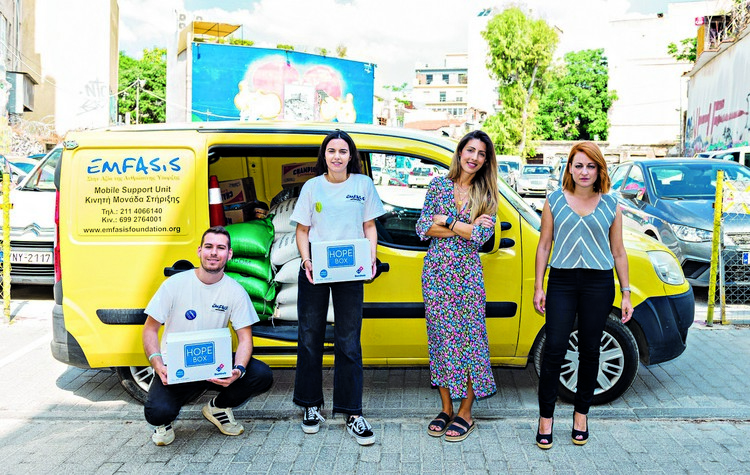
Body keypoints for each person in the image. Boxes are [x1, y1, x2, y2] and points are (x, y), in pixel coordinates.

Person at [533, 141, 634, 449]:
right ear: (570, 168)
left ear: (599, 170)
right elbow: (544, 245)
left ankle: (581, 416)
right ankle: (545, 419)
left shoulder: (611, 204)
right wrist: (539, 286)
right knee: (555, 349)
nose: (584, 171)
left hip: (598, 283)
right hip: (562, 281)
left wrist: (626, 293)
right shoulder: (554, 200)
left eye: (591, 166)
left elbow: (618, 251)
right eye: (578, 165)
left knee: (590, 351)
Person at [290, 130, 386, 446]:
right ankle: (310, 405)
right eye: (331, 151)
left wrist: (371, 257)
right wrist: (306, 260)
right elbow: (302, 230)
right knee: (309, 337)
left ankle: (352, 412)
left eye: (343, 151)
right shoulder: (311, 187)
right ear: (324, 155)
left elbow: (369, 226)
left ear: (350, 156)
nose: (337, 157)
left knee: (349, 341)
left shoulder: (363, 185)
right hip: (316, 269)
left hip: (350, 270)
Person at [142, 226, 273, 446]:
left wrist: (238, 370)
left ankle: (218, 408)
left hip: (215, 365)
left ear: (229, 254)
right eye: (209, 246)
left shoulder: (235, 291)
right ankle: (164, 423)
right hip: (178, 366)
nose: (214, 252)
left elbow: (245, 339)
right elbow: (149, 329)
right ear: (199, 250)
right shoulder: (174, 285)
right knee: (157, 412)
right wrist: (157, 363)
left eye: (220, 248)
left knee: (261, 374)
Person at [415, 130, 499, 442]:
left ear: (486, 160)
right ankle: (446, 408)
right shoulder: (438, 185)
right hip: (436, 275)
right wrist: (465, 226)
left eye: (481, 154)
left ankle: (466, 411)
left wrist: (448, 222)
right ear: (460, 151)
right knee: (441, 340)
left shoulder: (487, 195)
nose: (474, 157)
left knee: (470, 342)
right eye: (470, 150)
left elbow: (480, 237)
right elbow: (422, 228)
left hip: (467, 277)